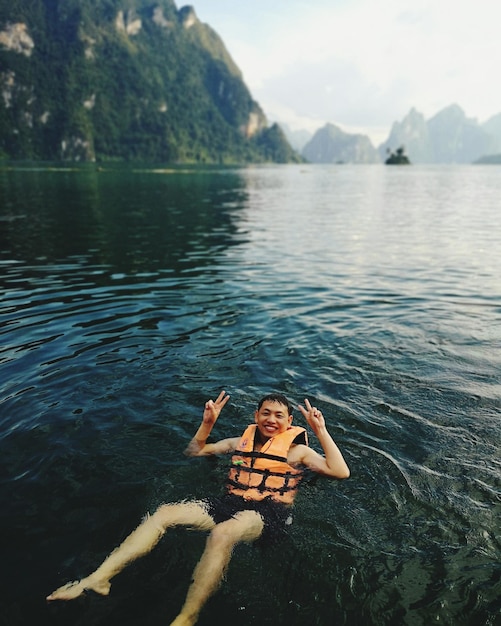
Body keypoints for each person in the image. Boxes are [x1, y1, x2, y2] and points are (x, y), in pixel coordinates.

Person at [47, 390, 350, 626]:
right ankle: (97, 578)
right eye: (266, 413)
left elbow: (340, 472)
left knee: (223, 533)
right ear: (256, 415)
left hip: (268, 514)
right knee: (164, 513)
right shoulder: (238, 442)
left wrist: (320, 430)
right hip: (229, 502)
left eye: (279, 415)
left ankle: (187, 617)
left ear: (289, 422)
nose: (271, 419)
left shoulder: (299, 451)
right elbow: (195, 451)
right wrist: (207, 424)